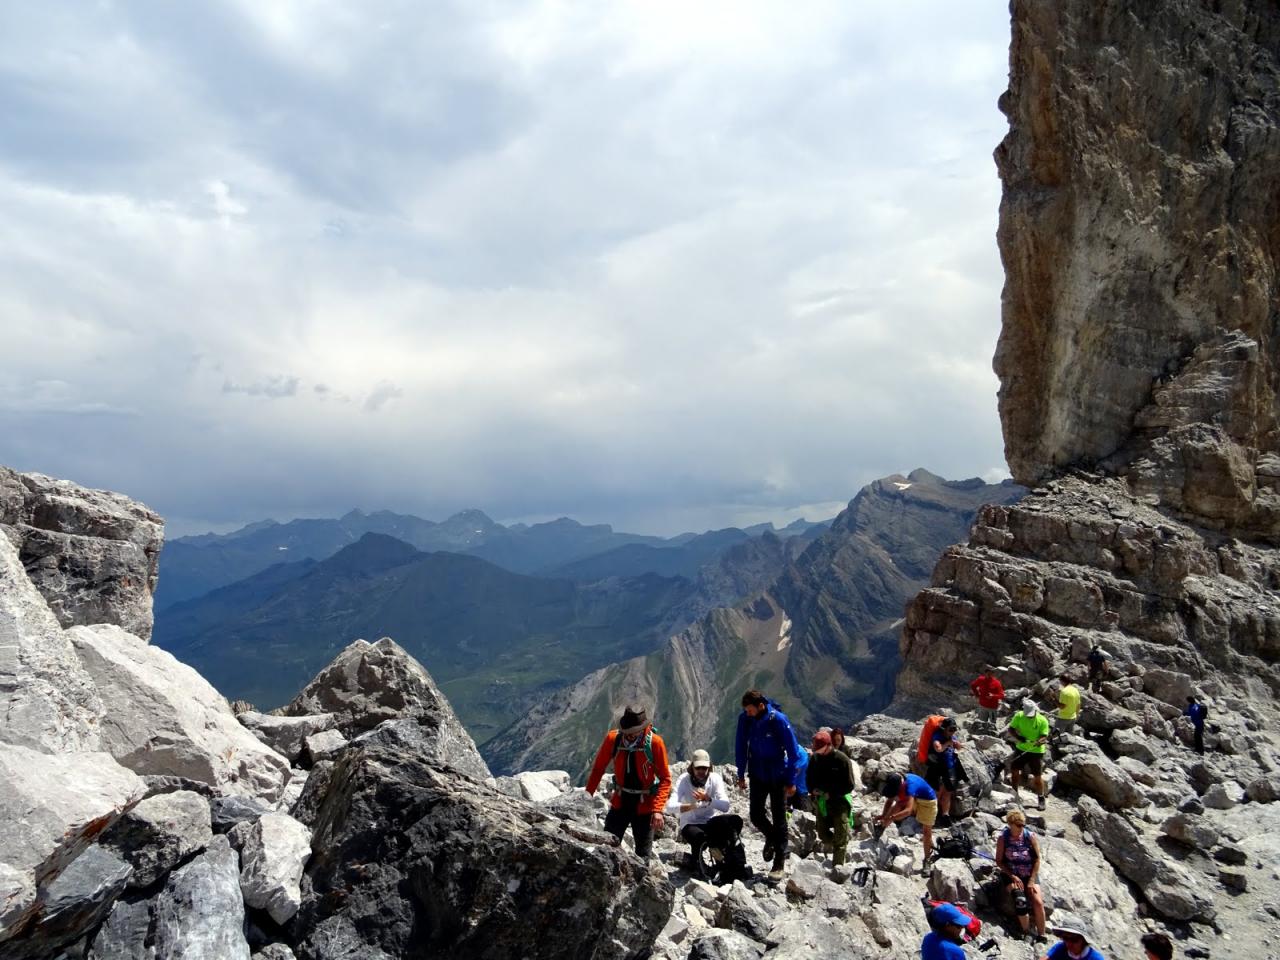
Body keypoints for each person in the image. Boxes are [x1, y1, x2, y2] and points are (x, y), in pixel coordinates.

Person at [585, 704, 671, 860]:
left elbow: (665, 779)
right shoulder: (613, 739)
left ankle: (641, 882)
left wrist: (658, 809)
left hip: (645, 806)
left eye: (632, 732)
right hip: (620, 801)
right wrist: (586, 796)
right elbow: (598, 769)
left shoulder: (655, 743)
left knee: (643, 855)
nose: (628, 735)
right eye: (626, 732)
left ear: (642, 728)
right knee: (606, 848)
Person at [735, 689, 802, 879]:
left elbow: (793, 751)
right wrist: (741, 772)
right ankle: (773, 838)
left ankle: (779, 863)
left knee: (779, 816)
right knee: (755, 815)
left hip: (777, 774)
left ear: (761, 706)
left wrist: (791, 780)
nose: (747, 713)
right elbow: (740, 745)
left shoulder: (778, 720)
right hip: (757, 772)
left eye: (750, 709)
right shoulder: (745, 719)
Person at [664, 748, 737, 879]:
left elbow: (725, 806)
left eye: (705, 768)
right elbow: (670, 807)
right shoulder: (684, 780)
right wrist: (691, 806)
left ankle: (725, 866)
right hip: (690, 823)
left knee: (728, 831)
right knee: (699, 838)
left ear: (709, 767)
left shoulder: (715, 779)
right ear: (692, 767)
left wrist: (708, 799)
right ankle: (698, 866)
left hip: (709, 821)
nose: (701, 772)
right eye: (698, 768)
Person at [807, 730, 856, 869]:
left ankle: (838, 868)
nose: (816, 751)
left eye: (819, 749)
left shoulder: (842, 760)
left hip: (840, 802)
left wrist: (832, 794)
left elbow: (849, 785)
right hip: (822, 802)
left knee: (840, 837)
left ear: (828, 745)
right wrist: (812, 789)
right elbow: (809, 778)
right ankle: (837, 842)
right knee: (822, 833)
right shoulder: (815, 759)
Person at [996, 808, 1046, 942]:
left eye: (1023, 825)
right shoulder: (1003, 839)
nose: (1021, 828)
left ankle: (1042, 934)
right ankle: (1026, 930)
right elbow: (999, 861)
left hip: (1029, 873)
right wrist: (1012, 875)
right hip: (1011, 873)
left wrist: (1031, 880)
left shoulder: (1030, 837)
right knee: (1020, 899)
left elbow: (1036, 859)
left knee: (1038, 901)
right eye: (1018, 825)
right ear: (1011, 824)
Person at [876, 772, 938, 861]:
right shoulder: (895, 780)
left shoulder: (910, 786)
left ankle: (927, 859)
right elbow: (890, 800)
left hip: (928, 802)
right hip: (915, 797)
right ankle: (881, 828)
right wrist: (883, 815)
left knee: (926, 832)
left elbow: (908, 811)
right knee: (897, 805)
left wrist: (892, 817)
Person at [1008, 699, 1050, 810]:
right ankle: (1014, 793)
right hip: (1021, 748)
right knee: (1014, 770)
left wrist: (1039, 741)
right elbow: (1011, 729)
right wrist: (1018, 737)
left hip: (1036, 751)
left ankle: (1041, 798)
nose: (1030, 716)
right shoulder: (1019, 716)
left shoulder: (1042, 720)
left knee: (1037, 776)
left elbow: (1044, 736)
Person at [925, 717, 964, 822]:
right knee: (937, 793)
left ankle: (945, 816)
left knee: (948, 793)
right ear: (944, 729)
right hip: (938, 769)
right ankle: (932, 815)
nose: (953, 732)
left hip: (949, 768)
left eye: (954, 729)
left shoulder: (952, 737)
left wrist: (957, 745)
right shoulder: (937, 736)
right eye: (951, 729)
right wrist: (948, 744)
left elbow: (959, 747)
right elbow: (938, 748)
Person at [1040, 914, 1105, 960]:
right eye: (1065, 938)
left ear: (1083, 940)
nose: (1069, 943)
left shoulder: (1095, 958)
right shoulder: (1060, 948)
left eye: (1074, 939)